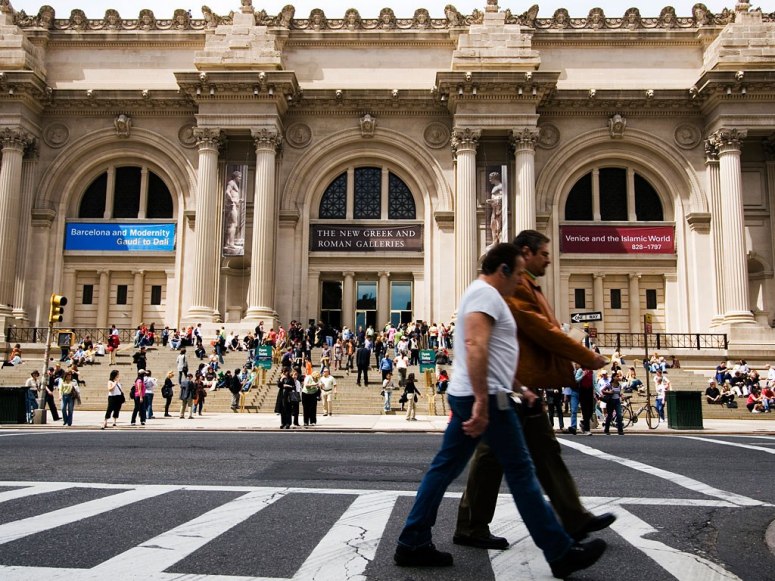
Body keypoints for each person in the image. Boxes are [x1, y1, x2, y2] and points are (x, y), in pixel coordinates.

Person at [395, 243, 607, 577]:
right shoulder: (486, 295)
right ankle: (560, 552)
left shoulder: (486, 295)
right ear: (503, 269)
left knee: (445, 469)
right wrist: (482, 400)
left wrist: (519, 387)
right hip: (487, 397)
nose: (521, 279)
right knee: (521, 473)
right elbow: (475, 346)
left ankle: (413, 539)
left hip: (486, 393)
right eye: (518, 272)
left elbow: (493, 352)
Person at [455, 230, 612, 552]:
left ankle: (573, 518)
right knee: (494, 456)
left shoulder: (526, 284)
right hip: (514, 382)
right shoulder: (515, 285)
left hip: (523, 385)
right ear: (525, 253)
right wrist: (584, 355)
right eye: (544, 253)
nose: (549, 259)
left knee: (543, 450)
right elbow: (538, 329)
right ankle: (471, 525)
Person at [485, 171, 503, 244]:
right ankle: (495, 241)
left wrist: (493, 201)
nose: (489, 180)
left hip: (499, 210)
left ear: (494, 178)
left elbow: (502, 198)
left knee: (498, 226)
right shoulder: (495, 187)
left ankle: (499, 240)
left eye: (490, 178)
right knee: (493, 225)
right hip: (494, 209)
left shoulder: (501, 186)